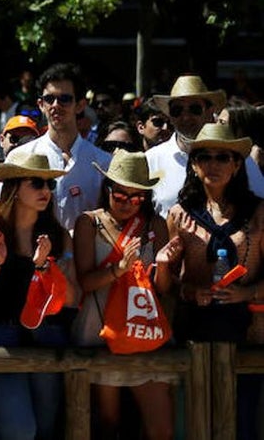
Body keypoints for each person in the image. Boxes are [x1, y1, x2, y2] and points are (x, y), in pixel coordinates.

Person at [154, 123, 264, 438]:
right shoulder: (178, 215)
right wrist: (189, 290)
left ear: (237, 164)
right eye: (204, 157)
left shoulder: (259, 213)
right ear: (193, 164)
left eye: (222, 157)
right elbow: (167, 286)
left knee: (241, 420)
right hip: (195, 334)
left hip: (248, 335)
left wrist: (246, 293)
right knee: (195, 422)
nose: (213, 165)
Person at [0, 152, 74, 440]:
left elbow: (74, 298)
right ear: (13, 187)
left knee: (48, 428)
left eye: (50, 185)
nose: (45, 191)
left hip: (48, 336)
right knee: (19, 429)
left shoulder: (59, 235)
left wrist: (45, 267)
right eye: (36, 183)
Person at [71, 151, 171, 440]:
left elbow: (164, 290)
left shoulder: (156, 225)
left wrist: (164, 266)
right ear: (108, 189)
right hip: (99, 332)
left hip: (145, 333)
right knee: (108, 425)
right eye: (121, 196)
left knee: (160, 429)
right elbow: (86, 282)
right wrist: (119, 269)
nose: (129, 203)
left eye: (137, 197)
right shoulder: (88, 223)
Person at [11, 63, 111, 232]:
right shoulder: (19, 157)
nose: (56, 105)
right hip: (35, 256)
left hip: (89, 256)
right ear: (41, 105)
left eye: (64, 99)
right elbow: (4, 212)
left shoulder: (104, 162)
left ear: (80, 105)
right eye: (49, 99)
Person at [149, 75, 264, 217]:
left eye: (194, 109)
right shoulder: (151, 159)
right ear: (170, 116)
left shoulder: (237, 157)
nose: (185, 117)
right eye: (177, 110)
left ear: (211, 111)